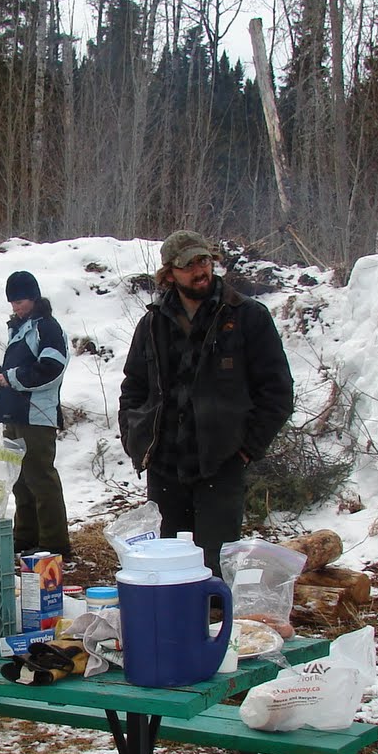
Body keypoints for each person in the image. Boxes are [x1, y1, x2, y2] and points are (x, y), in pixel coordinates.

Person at [118, 230, 294, 578]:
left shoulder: (247, 317)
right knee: (169, 571)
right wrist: (135, 440)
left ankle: (216, 630)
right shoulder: (152, 323)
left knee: (215, 571)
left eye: (204, 261)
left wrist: (245, 450)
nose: (201, 271)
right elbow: (133, 388)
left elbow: (277, 393)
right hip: (165, 467)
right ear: (169, 274)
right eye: (189, 265)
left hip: (219, 465)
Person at [0, 270, 70, 557]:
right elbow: (24, 366)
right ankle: (25, 536)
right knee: (19, 479)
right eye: (12, 302)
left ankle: (54, 543)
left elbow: (52, 368)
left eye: (20, 300)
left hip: (37, 415)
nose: (15, 306)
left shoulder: (47, 327)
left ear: (33, 297)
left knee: (40, 478)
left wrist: (12, 378)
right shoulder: (22, 327)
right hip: (14, 413)